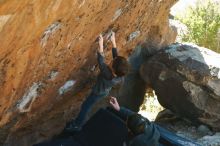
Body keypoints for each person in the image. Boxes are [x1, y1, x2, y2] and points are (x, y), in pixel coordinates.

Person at [65, 32, 129, 132]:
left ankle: (76, 125)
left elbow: (101, 61)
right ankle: (77, 124)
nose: (111, 61)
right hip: (103, 91)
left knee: (85, 107)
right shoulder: (120, 75)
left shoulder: (107, 74)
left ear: (113, 70)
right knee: (86, 106)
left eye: (111, 63)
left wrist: (101, 44)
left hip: (97, 93)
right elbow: (116, 58)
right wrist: (113, 41)